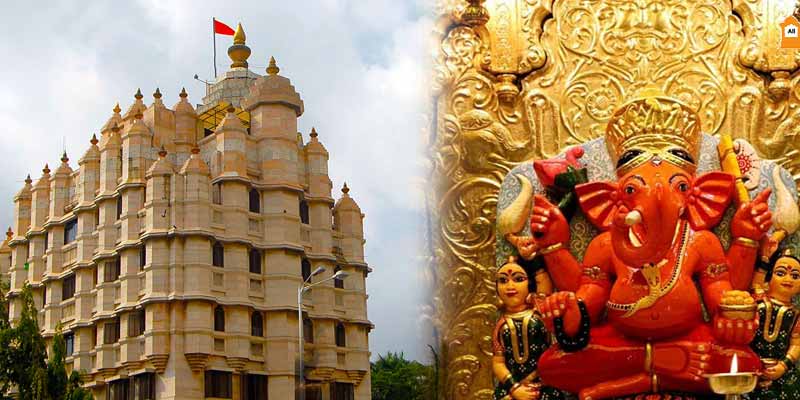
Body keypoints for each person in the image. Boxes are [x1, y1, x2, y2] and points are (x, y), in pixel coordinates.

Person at [492, 256, 563, 400]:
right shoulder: (501, 325)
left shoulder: (539, 311)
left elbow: (543, 282)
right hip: (514, 388)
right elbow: (498, 363)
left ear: (530, 283)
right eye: (503, 280)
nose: (510, 286)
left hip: (543, 385)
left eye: (518, 279)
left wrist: (532, 256)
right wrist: (515, 388)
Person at [749, 249, 800, 399]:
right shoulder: (758, 299)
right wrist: (766, 256)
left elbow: (796, 344)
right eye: (780, 273)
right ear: (768, 279)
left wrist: (783, 366)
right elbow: (757, 281)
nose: (788, 279)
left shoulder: (796, 316)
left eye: (795, 276)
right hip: (752, 367)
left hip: (781, 373)